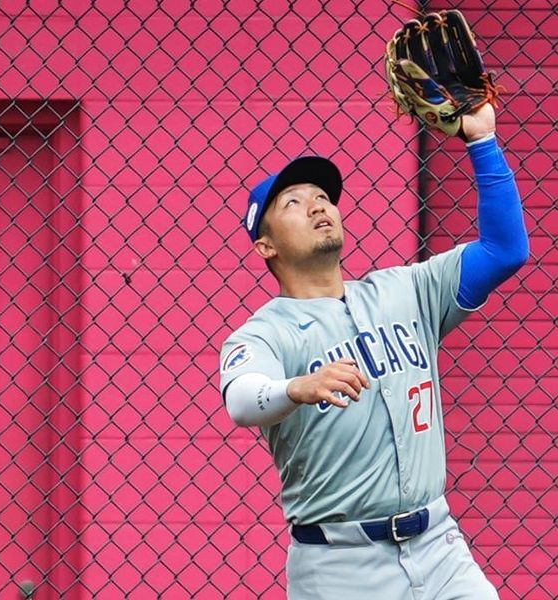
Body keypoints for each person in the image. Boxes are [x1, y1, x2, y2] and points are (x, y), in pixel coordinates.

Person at [219, 102, 529, 599]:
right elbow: (241, 400)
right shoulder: (265, 334)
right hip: (340, 565)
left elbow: (505, 250)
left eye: (323, 196)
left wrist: (482, 140)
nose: (319, 206)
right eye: (293, 203)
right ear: (266, 246)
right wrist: (296, 387)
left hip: (440, 548)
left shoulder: (407, 291)